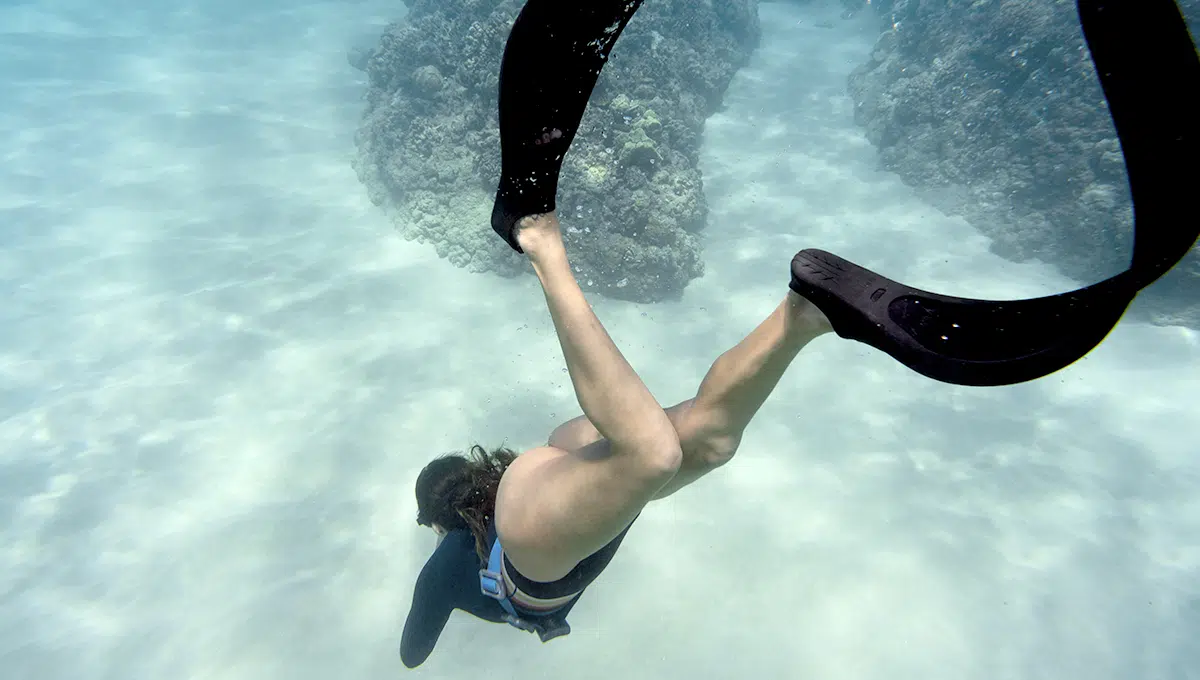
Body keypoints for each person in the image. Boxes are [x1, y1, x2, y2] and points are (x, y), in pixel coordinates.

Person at [401, 211, 833, 668]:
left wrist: (439, 550)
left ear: (435, 516)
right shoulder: (518, 504)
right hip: (559, 509)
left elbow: (413, 653)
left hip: (529, 553)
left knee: (652, 454)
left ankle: (542, 245)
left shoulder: (450, 556)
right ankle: (803, 316)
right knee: (708, 443)